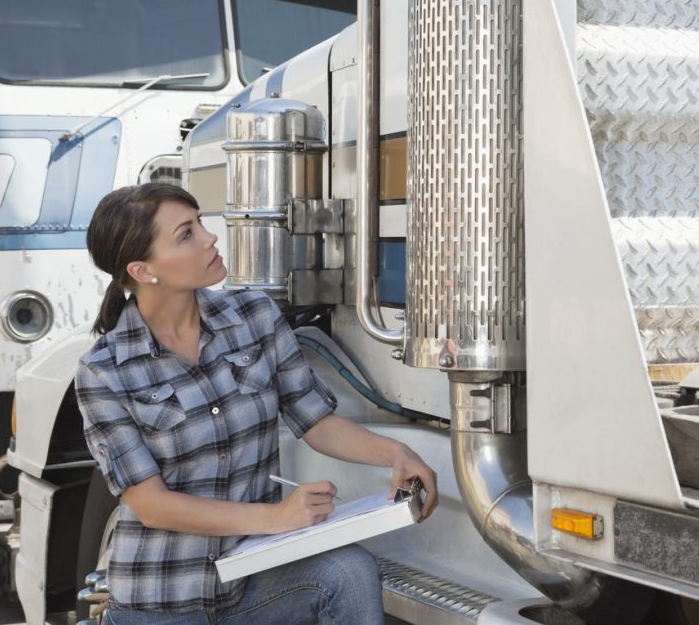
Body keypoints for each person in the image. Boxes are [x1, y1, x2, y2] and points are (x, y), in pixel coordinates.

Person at [75, 183, 439, 624]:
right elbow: (153, 506)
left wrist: (396, 454)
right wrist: (276, 516)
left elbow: (315, 420)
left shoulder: (254, 316)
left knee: (349, 572)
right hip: (161, 603)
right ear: (144, 270)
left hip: (252, 585)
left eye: (201, 223)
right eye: (187, 234)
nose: (210, 238)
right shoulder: (105, 369)